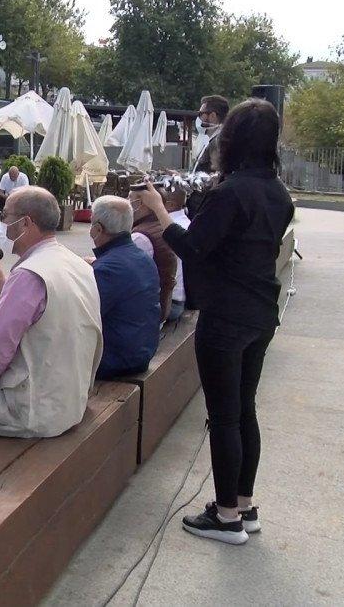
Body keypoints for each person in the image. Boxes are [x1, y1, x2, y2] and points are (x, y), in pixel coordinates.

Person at [136, 98, 294, 545]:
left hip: (226, 317)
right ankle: (243, 505)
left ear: (232, 139)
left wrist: (159, 210)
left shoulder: (233, 192)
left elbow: (194, 248)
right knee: (245, 411)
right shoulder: (277, 192)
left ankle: (226, 517)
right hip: (261, 312)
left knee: (224, 418)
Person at [0, 186, 103, 438]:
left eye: (6, 216)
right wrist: (1, 284)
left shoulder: (28, 275)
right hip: (70, 401)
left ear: (26, 223)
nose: (2, 223)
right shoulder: (76, 263)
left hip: (30, 412)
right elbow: (45, 316)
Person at [87, 196, 160, 379]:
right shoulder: (142, 258)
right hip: (142, 350)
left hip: (116, 360)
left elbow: (84, 317)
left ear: (98, 229)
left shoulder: (106, 270)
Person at [129, 187, 177, 322]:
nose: (127, 203)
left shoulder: (141, 237)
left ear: (141, 204)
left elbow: (126, 278)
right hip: (164, 304)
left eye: (130, 199)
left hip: (151, 313)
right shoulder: (162, 226)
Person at [164, 186, 192, 320]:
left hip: (172, 304)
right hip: (182, 299)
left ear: (169, 205)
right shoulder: (188, 223)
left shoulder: (168, 229)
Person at [192, 95, 228, 175]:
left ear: (212, 116)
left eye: (201, 114)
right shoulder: (212, 140)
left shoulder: (219, 142)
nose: (199, 118)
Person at [0, 165, 30, 229]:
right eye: (11, 176)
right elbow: (0, 192)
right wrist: (6, 197)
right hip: (7, 198)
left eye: (14, 176)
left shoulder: (23, 177)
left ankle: (23, 224)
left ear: (18, 174)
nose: (12, 178)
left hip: (19, 198)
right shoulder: (5, 177)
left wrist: (16, 198)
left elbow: (25, 192)